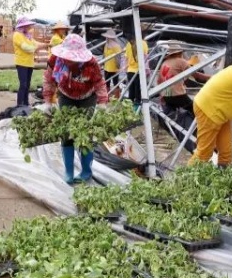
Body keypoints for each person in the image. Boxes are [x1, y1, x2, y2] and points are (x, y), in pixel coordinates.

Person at [41, 34, 108, 184]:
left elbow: (99, 82)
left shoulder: (91, 64)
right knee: (67, 133)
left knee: (84, 133)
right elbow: (48, 79)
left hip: (87, 98)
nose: (69, 61)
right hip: (66, 96)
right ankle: (69, 172)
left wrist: (103, 102)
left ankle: (85, 172)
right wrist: (48, 101)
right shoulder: (55, 60)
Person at [157, 41, 211, 115]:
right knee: (196, 111)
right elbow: (196, 75)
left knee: (171, 113)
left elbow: (159, 81)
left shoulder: (164, 63)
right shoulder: (181, 61)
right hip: (178, 95)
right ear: (179, 53)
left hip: (166, 96)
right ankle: (198, 126)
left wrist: (162, 95)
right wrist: (211, 77)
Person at [13, 17, 47, 106]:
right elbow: (26, 48)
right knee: (23, 84)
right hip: (21, 63)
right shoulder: (17, 35)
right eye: (27, 26)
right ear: (23, 26)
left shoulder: (27, 36)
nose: (29, 27)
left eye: (29, 25)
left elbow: (35, 43)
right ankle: (20, 104)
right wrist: (36, 48)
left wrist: (46, 44)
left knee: (27, 85)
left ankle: (26, 103)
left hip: (29, 63)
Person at [124, 36, 149, 109]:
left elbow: (126, 58)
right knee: (138, 95)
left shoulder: (128, 44)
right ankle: (137, 112)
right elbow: (146, 58)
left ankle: (129, 110)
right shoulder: (143, 43)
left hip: (130, 70)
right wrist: (147, 71)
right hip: (139, 71)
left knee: (131, 94)